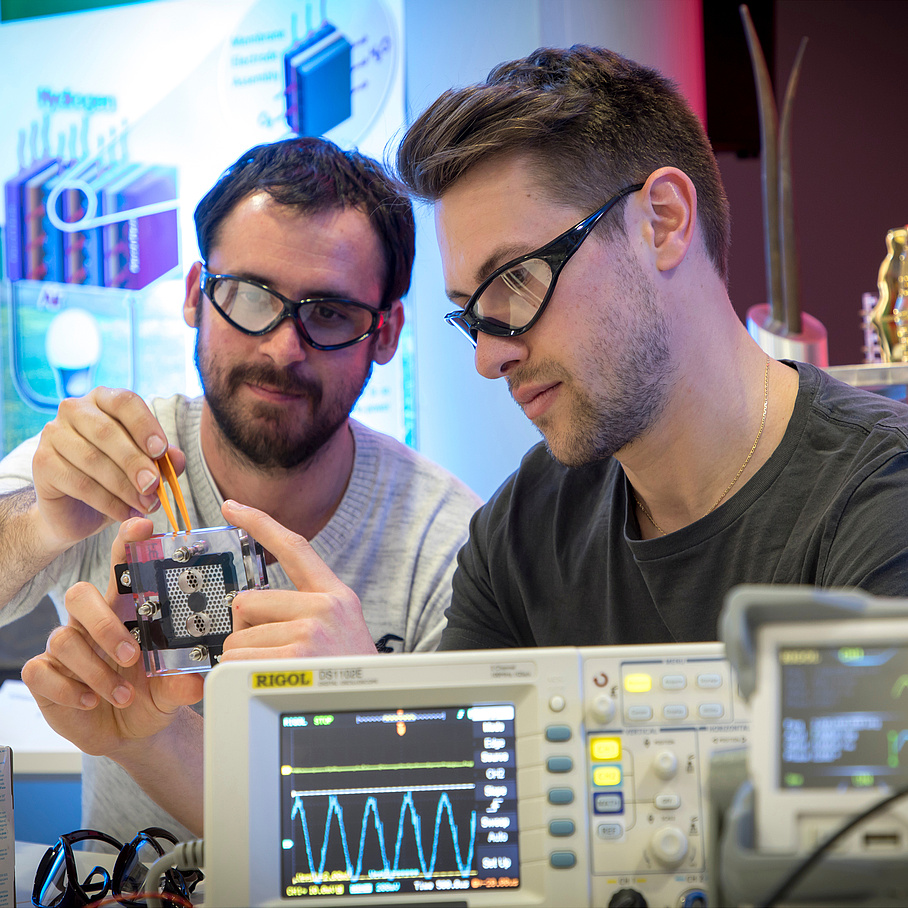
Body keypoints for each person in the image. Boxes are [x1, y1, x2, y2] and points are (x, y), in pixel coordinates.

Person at [11, 136, 481, 842]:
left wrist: (366, 709)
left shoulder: (449, 546)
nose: (281, 347)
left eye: (328, 313)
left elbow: (440, 847)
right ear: (198, 294)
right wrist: (43, 526)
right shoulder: (116, 457)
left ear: (384, 334)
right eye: (251, 296)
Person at [393, 44, 908, 649]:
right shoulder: (522, 533)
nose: (488, 358)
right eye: (471, 312)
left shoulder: (878, 501)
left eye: (517, 278)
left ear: (663, 221)